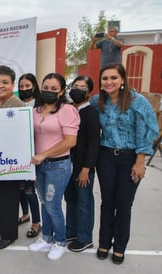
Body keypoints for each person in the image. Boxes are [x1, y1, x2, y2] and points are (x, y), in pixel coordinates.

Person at [91, 63, 158, 264]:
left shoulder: (137, 102)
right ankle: (104, 242)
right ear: (100, 82)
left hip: (130, 158)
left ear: (122, 80)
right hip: (106, 158)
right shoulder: (97, 102)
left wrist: (140, 161)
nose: (109, 82)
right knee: (107, 203)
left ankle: (119, 246)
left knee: (124, 204)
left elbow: (148, 130)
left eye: (113, 78)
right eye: (105, 78)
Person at [29, 73, 80, 261]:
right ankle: (46, 238)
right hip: (39, 166)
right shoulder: (35, 109)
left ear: (61, 91)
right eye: (45, 88)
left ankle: (60, 242)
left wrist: (44, 154)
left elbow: (70, 141)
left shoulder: (67, 110)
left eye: (53, 89)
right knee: (45, 202)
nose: (48, 91)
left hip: (58, 166)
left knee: (53, 205)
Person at [0, 65, 24, 249]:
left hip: (9, 160)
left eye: (5, 82)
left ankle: (9, 235)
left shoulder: (17, 105)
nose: (0, 85)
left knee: (8, 197)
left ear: (12, 84)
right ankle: (3, 226)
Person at [65, 75, 100, 252]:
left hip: (82, 167)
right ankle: (70, 231)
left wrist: (87, 168)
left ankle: (85, 238)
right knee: (70, 200)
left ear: (89, 92)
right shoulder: (69, 110)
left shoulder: (91, 113)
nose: (77, 90)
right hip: (66, 165)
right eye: (75, 86)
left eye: (82, 87)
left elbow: (94, 143)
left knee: (84, 202)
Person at [17, 73, 42, 238]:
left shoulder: (40, 106)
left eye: (28, 86)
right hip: (17, 152)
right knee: (20, 188)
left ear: (34, 86)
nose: (25, 89)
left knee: (30, 190)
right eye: (21, 87)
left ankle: (36, 222)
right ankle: (25, 214)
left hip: (34, 154)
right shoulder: (16, 105)